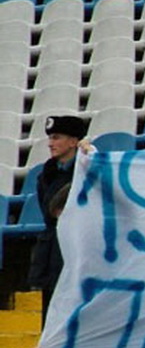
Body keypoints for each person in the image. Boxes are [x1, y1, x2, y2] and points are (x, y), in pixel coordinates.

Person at [28, 116, 86, 328]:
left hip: (79, 247)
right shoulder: (46, 174)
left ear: (73, 141)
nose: (50, 143)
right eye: (50, 138)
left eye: (57, 137)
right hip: (52, 249)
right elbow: (48, 214)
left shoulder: (86, 170)